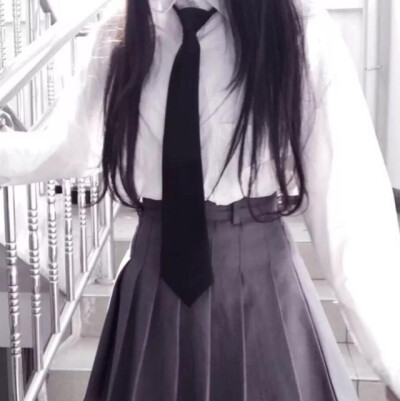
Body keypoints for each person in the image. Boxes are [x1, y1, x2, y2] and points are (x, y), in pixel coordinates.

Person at [1, 0, 400, 400]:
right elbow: (69, 146)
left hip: (261, 293)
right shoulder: (120, 35)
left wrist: (392, 362)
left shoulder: (300, 32)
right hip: (152, 288)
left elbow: (353, 216)